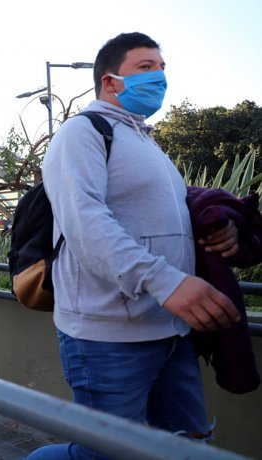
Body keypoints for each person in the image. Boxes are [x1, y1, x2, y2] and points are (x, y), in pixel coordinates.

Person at [27, 33, 241, 459]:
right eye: (146, 67)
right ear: (110, 81)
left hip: (172, 329)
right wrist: (166, 282)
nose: (159, 77)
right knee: (103, 454)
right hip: (107, 337)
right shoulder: (82, 133)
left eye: (162, 67)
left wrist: (222, 231)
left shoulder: (148, 143)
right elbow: (86, 223)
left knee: (187, 448)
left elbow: (172, 217)